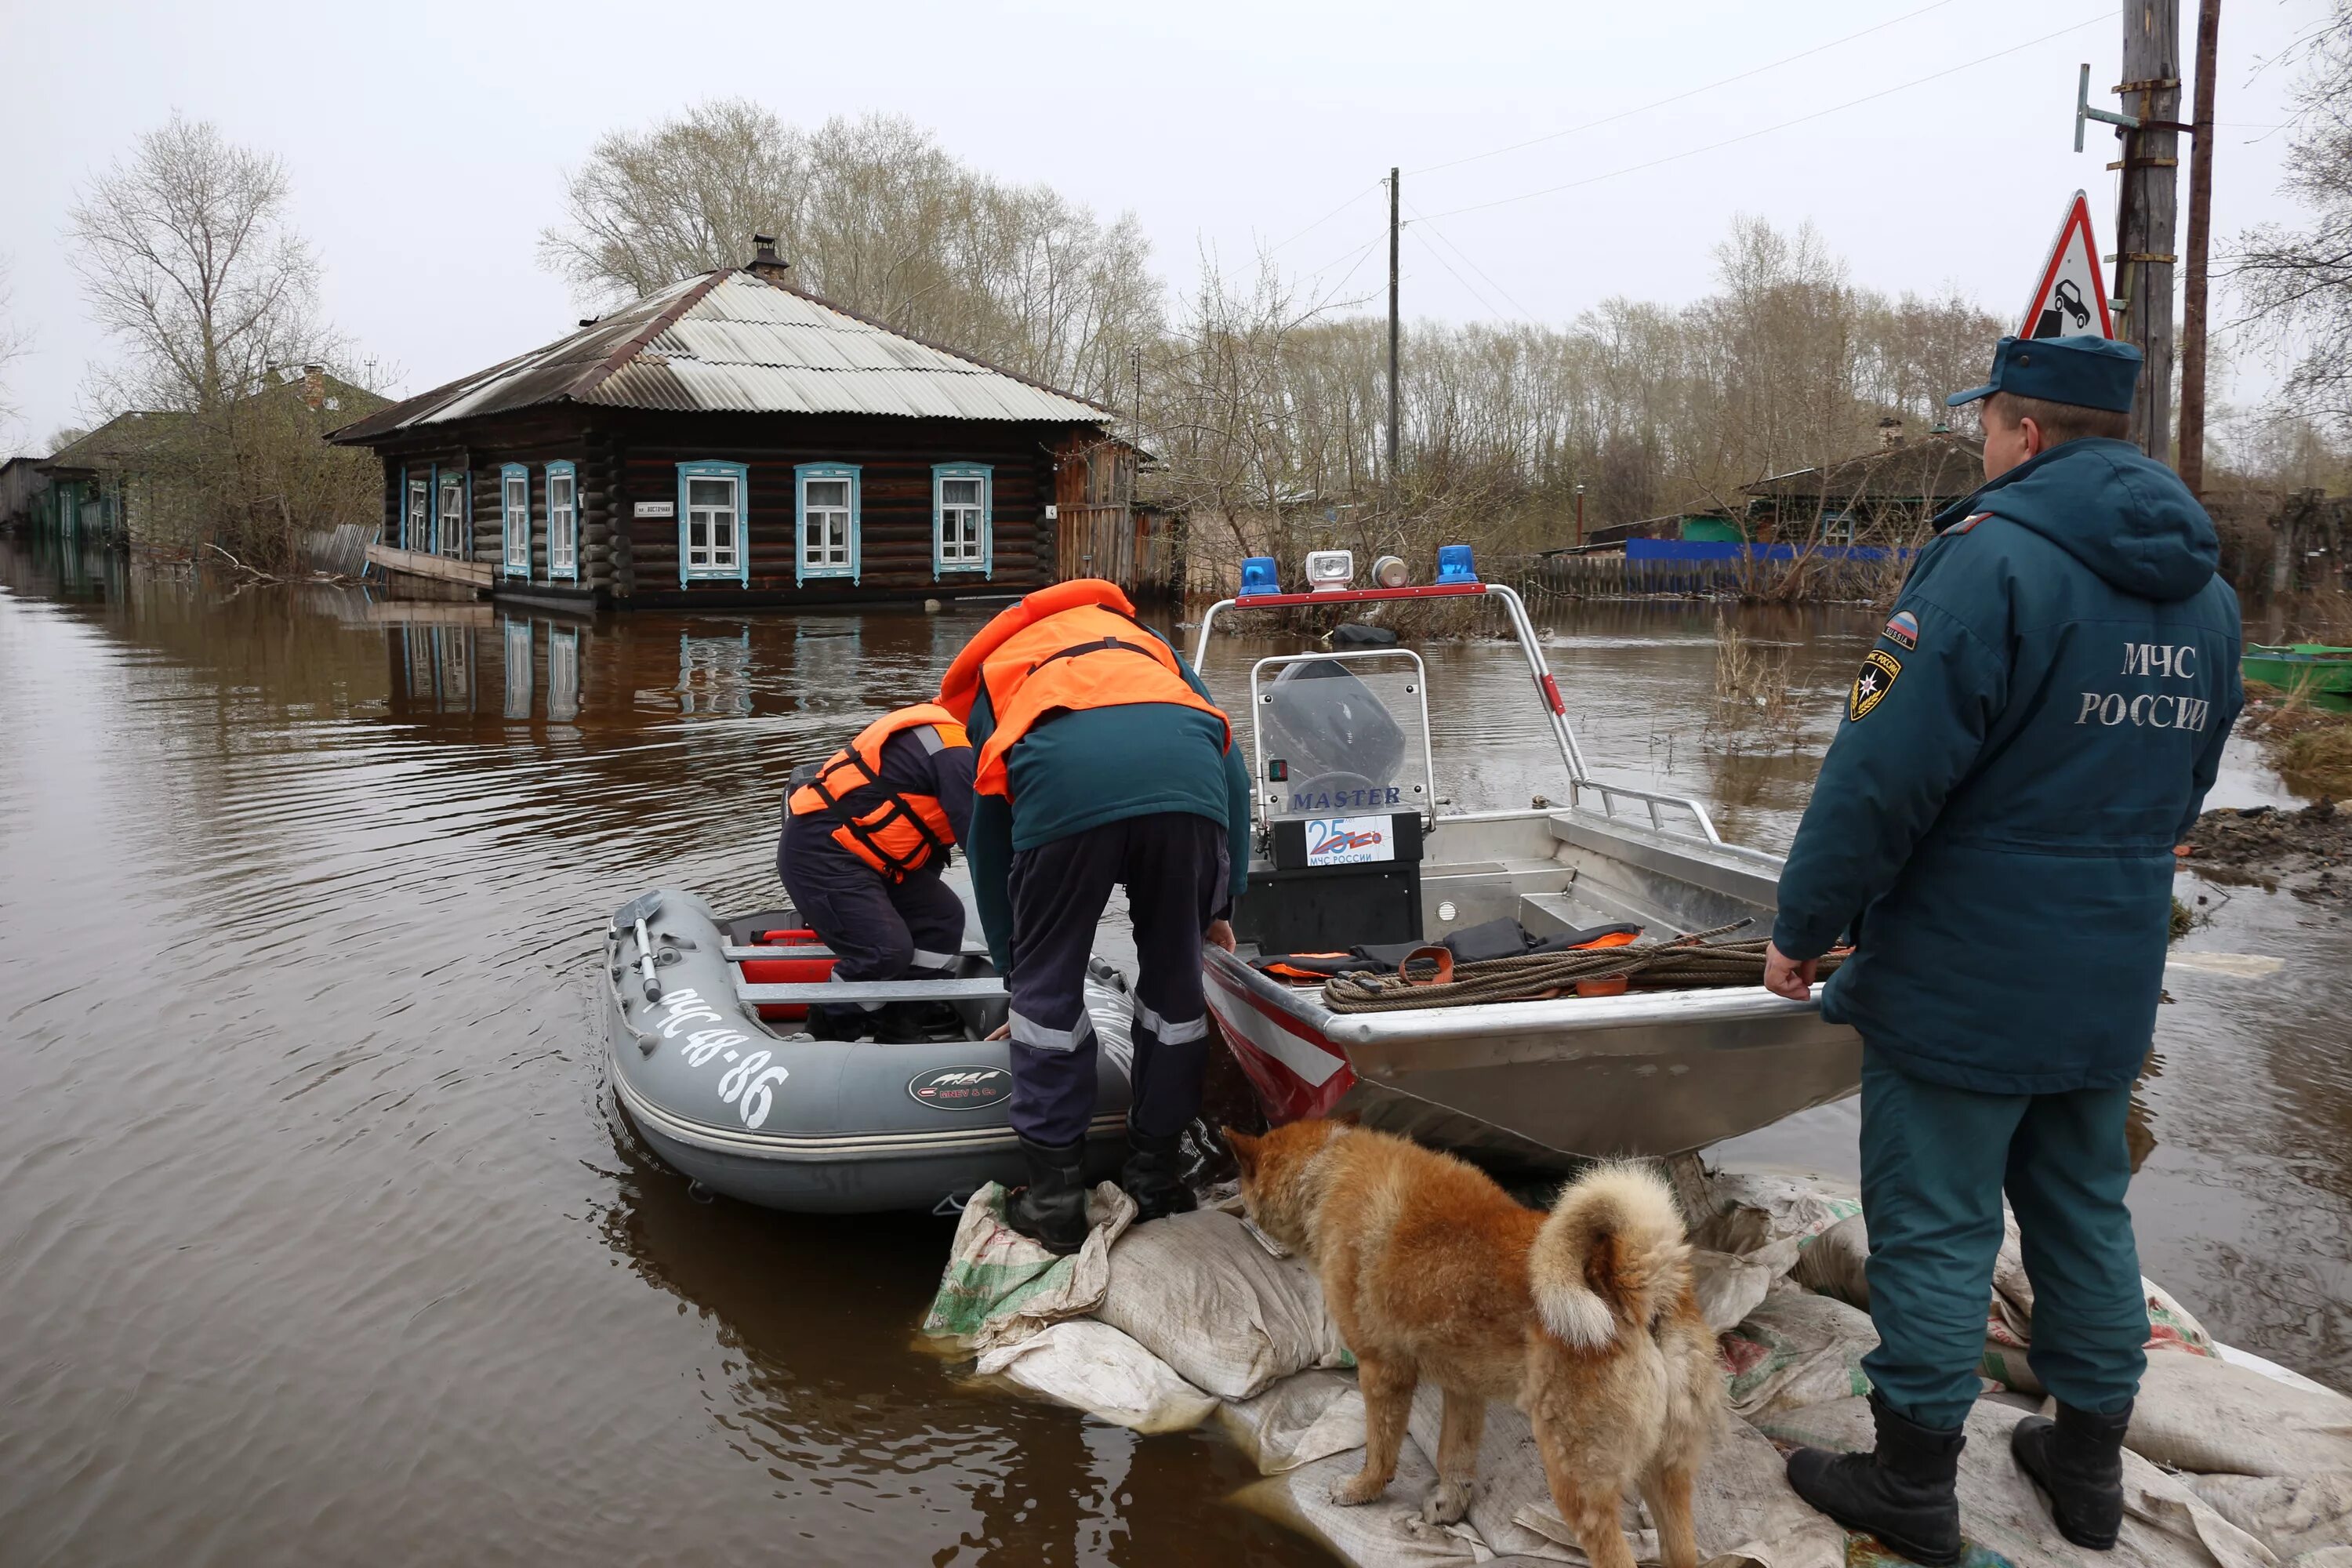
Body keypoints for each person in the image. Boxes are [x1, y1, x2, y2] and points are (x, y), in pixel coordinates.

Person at [1760, 334, 2242, 1564]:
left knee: (1935, 1221)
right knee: (2086, 1207)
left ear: (2024, 433)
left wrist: (1805, 928)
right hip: (2112, 965)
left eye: (1988, 424)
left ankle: (1911, 1482)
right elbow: (2184, 792)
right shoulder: (2207, 592)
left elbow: (1879, 775)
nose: (1980, 442)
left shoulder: (1991, 565)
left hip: (1965, 968)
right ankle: (2085, 1467)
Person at [934, 578, 1251, 1254]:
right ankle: (1155, 1181)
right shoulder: (1152, 647)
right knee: (1176, 994)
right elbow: (1234, 774)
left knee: (1048, 999)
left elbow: (990, 834)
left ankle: (1054, 1209)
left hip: (1064, 794)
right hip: (1187, 795)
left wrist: (1017, 964)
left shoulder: (1007, 664)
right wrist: (1220, 904)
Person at [778, 702, 976, 1043]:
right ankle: (827, 1026)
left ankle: (901, 1025)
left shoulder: (965, 744)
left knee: (942, 919)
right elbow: (981, 842)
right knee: (885, 951)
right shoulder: (954, 752)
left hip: (881, 860)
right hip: (824, 851)